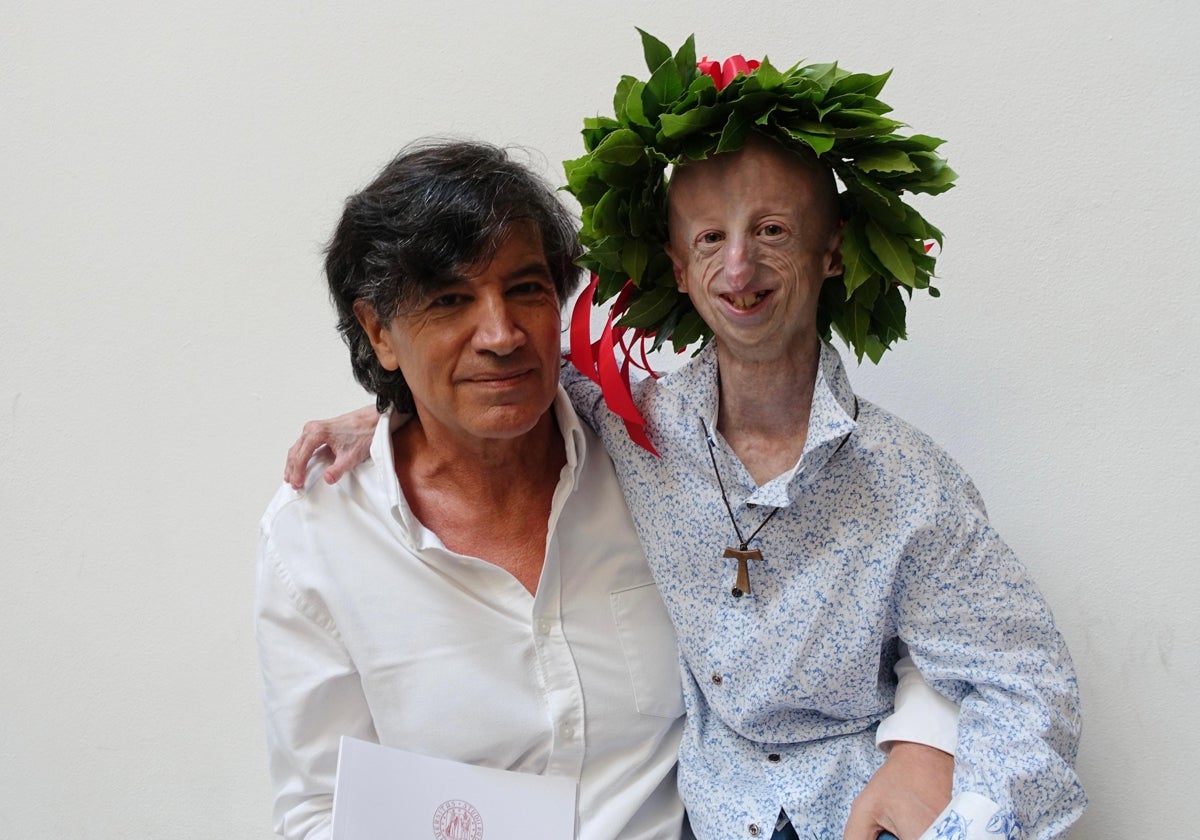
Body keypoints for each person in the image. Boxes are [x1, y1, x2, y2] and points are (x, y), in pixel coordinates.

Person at [257, 140, 688, 840]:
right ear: (380, 333)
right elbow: (318, 811)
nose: (501, 334)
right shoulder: (316, 536)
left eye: (525, 289)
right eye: (449, 300)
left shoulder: (654, 457)